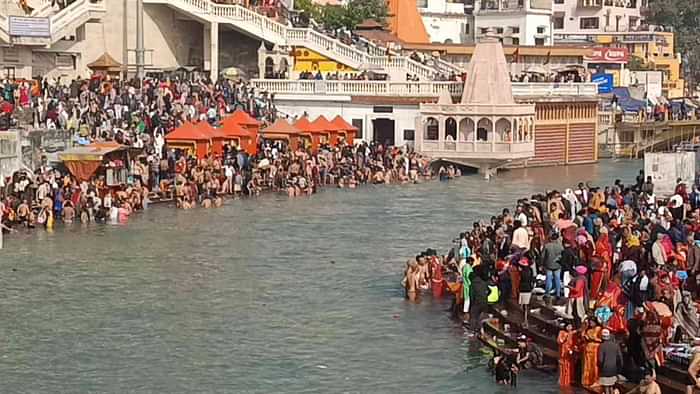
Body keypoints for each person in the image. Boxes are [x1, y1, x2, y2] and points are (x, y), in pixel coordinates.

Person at [598, 328, 623, 394]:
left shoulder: (601, 346)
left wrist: (599, 368)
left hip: (605, 369)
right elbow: (620, 358)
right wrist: (619, 369)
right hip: (614, 370)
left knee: (606, 387)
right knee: (611, 386)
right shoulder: (615, 345)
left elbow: (600, 360)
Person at [541, 232, 564, 302]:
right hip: (557, 265)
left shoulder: (547, 246)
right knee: (557, 279)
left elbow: (542, 256)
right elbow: (562, 256)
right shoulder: (560, 247)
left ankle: (547, 293)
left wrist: (542, 264)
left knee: (548, 279)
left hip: (548, 265)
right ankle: (558, 294)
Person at [582, 318, 603, 389]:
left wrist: (593, 339)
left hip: (595, 349)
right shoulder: (588, 330)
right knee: (588, 365)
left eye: (591, 322)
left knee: (595, 365)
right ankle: (588, 380)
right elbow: (583, 336)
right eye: (589, 322)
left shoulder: (599, 329)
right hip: (588, 349)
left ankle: (595, 380)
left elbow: (601, 339)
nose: (590, 324)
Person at [557, 322, 576, 387]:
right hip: (563, 352)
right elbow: (559, 341)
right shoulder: (562, 332)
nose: (569, 328)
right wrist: (564, 338)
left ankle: (570, 380)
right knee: (563, 365)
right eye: (568, 326)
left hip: (570, 351)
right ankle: (562, 380)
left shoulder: (572, 333)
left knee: (570, 365)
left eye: (570, 326)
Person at [518, 257, 534, 327]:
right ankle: (524, 320)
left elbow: (525, 279)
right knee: (524, 306)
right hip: (527, 288)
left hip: (524, 289)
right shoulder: (530, 270)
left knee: (524, 306)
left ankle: (525, 321)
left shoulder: (524, 272)